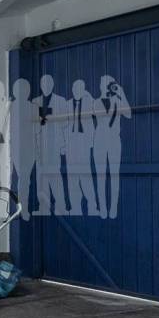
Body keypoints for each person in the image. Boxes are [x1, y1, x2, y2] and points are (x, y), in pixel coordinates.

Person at [93, 75, 131, 219]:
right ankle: (103, 207)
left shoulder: (118, 100)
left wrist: (121, 93)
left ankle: (113, 207)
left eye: (109, 84)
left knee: (115, 175)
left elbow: (128, 114)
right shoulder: (96, 102)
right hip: (100, 141)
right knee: (101, 176)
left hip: (114, 141)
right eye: (104, 83)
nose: (106, 86)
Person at [64, 78, 101, 217]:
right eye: (74, 88)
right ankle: (75, 208)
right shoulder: (67, 104)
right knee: (72, 178)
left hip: (84, 143)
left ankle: (92, 206)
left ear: (83, 90)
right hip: (70, 144)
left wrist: (89, 96)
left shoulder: (89, 102)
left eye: (79, 89)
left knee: (86, 177)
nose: (76, 91)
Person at [36, 74, 68, 216]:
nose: (46, 86)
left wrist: (53, 120)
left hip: (54, 144)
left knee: (56, 177)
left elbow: (66, 122)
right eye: (43, 83)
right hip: (40, 145)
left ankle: (61, 206)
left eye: (48, 83)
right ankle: (43, 207)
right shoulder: (36, 102)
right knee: (41, 177)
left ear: (52, 85)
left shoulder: (60, 101)